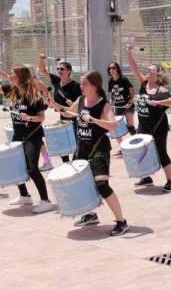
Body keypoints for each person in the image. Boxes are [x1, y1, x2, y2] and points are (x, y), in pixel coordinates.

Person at [49, 70, 129, 236]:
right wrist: (54, 105)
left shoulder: (103, 104)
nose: (81, 86)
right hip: (82, 148)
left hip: (99, 149)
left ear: (95, 86)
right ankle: (90, 214)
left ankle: (121, 221)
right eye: (81, 83)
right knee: (82, 183)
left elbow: (113, 125)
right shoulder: (80, 100)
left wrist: (93, 119)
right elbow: (67, 112)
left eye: (85, 83)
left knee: (102, 185)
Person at [0, 60, 55, 213]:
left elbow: (41, 118)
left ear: (21, 76)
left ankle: (45, 201)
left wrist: (30, 118)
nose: (10, 75)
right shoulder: (12, 90)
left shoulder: (33, 95)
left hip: (32, 136)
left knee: (32, 168)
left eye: (13, 73)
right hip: (18, 135)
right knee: (15, 166)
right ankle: (24, 195)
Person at [125, 45, 171, 191]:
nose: (148, 71)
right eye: (148, 69)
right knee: (142, 150)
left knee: (161, 152)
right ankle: (147, 177)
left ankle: (170, 180)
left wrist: (158, 102)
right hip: (143, 125)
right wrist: (128, 53)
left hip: (158, 127)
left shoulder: (161, 90)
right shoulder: (144, 84)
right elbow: (134, 68)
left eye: (151, 69)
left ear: (157, 73)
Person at [38, 55, 81, 164]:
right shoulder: (56, 81)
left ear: (69, 71)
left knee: (76, 143)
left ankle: (75, 162)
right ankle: (66, 164)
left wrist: (73, 105)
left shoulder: (76, 86)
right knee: (63, 142)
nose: (59, 71)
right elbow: (43, 71)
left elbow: (79, 107)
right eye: (57, 69)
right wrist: (41, 60)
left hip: (75, 118)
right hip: (62, 117)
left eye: (62, 69)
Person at [107, 61, 137, 148]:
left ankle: (137, 143)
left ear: (117, 69)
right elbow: (112, 95)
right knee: (116, 128)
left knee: (130, 126)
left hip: (127, 105)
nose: (111, 70)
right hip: (118, 107)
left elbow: (133, 91)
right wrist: (110, 106)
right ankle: (123, 147)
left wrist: (130, 101)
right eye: (109, 68)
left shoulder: (124, 79)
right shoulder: (110, 81)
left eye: (113, 68)